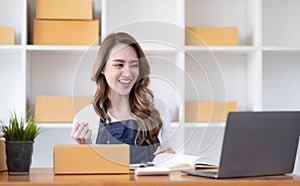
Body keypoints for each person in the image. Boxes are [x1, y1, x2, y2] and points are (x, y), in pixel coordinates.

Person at [71, 32, 174, 164]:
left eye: (134, 65)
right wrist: (86, 151)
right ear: (102, 68)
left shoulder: (157, 110)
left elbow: (166, 162)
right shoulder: (85, 119)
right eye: (119, 65)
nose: (128, 73)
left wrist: (169, 158)